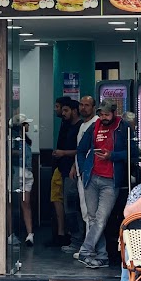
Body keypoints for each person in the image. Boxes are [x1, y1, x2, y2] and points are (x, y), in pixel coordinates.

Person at [76, 98, 136, 268]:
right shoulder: (94, 127)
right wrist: (82, 169)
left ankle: (86, 250)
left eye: (107, 114)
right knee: (94, 218)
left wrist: (112, 156)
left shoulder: (123, 127)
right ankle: (102, 256)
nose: (103, 117)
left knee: (101, 218)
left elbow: (132, 153)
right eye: (101, 114)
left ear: (114, 113)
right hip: (92, 177)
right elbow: (81, 150)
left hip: (111, 180)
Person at [64, 96, 98, 257]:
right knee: (84, 211)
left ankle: (89, 248)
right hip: (80, 172)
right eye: (82, 105)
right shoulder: (84, 125)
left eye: (87, 105)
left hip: (89, 174)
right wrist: (74, 166)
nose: (84, 108)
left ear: (94, 107)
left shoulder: (95, 124)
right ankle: (87, 246)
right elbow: (80, 150)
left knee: (90, 212)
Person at [54, 100, 83, 254]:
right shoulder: (67, 126)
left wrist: (64, 153)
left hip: (74, 172)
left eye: (66, 110)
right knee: (69, 207)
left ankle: (78, 241)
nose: (63, 113)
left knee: (72, 207)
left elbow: (81, 150)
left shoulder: (80, 126)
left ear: (74, 110)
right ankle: (76, 241)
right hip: (65, 170)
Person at [47, 96, 72, 246]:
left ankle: (62, 233)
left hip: (65, 167)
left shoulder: (70, 125)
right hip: (61, 165)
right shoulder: (64, 123)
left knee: (60, 199)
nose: (58, 111)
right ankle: (61, 232)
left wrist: (62, 153)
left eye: (60, 107)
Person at [9, 112, 35, 246]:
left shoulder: (24, 139)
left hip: (26, 174)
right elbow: (9, 152)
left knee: (25, 204)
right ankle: (10, 234)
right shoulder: (13, 139)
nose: (28, 125)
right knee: (13, 204)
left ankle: (29, 234)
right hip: (17, 172)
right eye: (26, 124)